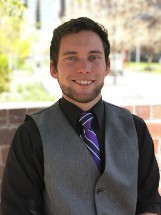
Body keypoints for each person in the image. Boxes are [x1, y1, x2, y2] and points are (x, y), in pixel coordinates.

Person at [1, 17, 161, 215]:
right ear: (53, 68)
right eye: (71, 57)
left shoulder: (135, 129)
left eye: (94, 57)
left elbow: (149, 202)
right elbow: (18, 210)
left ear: (107, 66)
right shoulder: (31, 134)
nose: (84, 68)